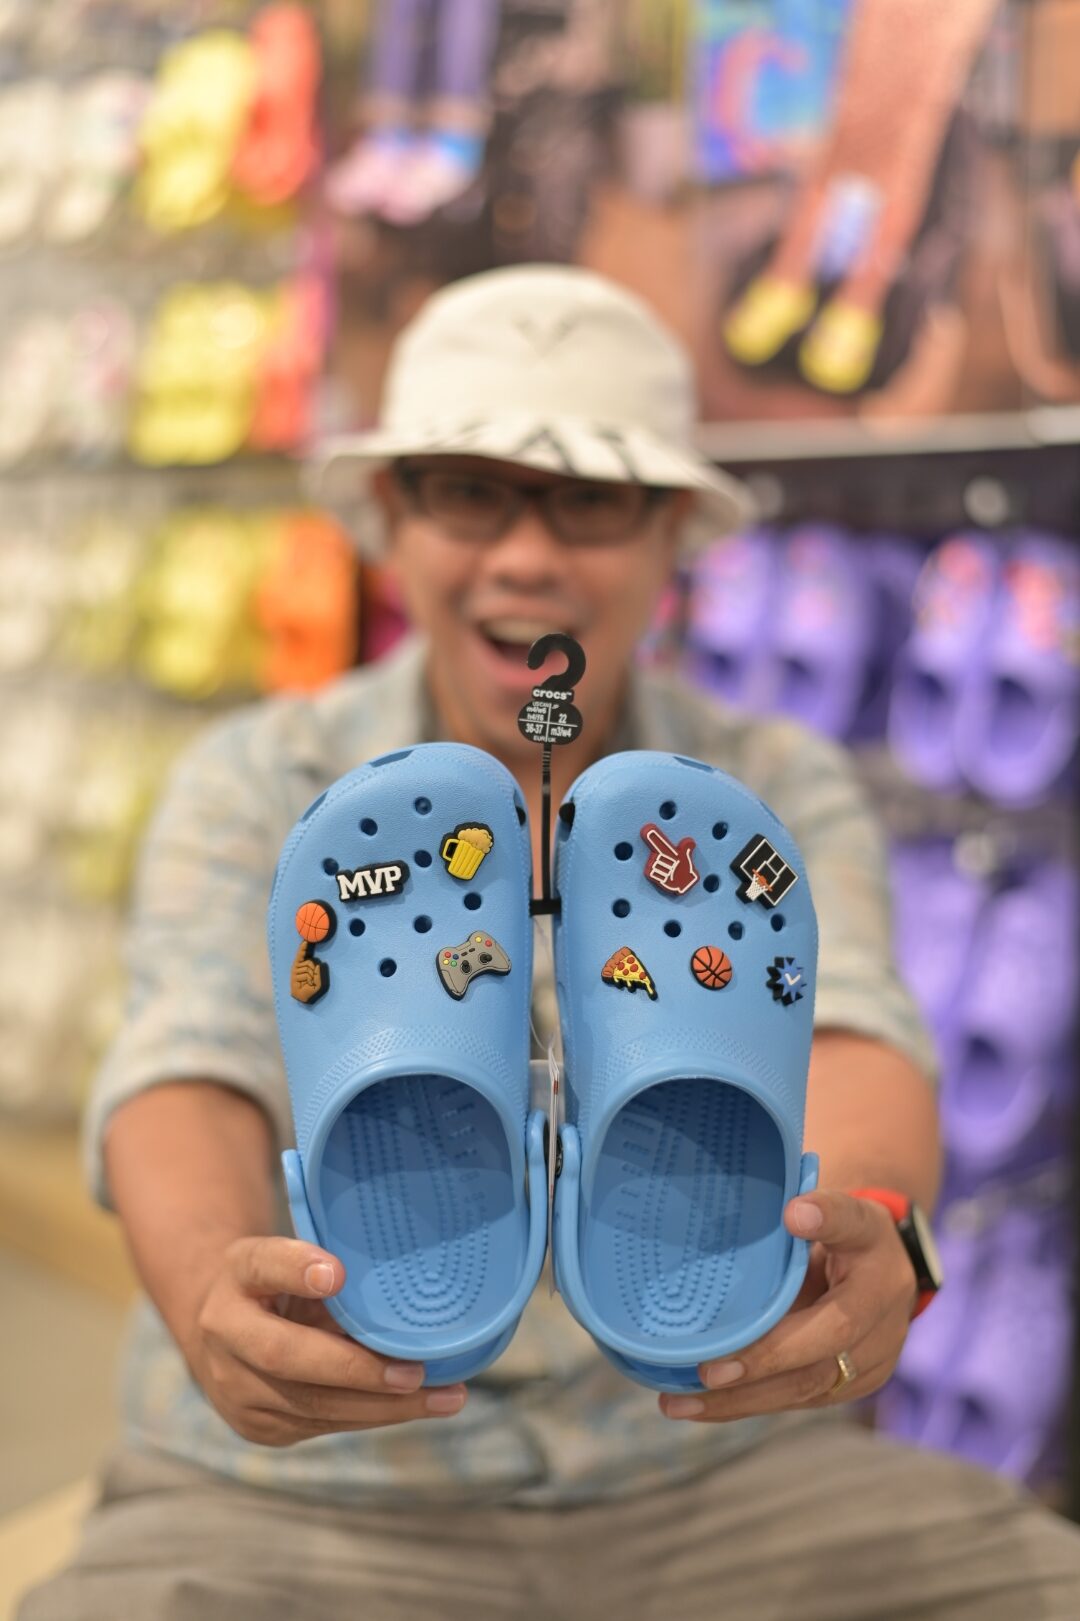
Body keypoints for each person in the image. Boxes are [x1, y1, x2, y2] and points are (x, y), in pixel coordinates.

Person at [21, 265, 1080, 1620]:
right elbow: (186, 1065)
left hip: (710, 1449)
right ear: (393, 519)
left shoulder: (769, 784)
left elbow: (854, 1036)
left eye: (588, 500)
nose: (527, 554)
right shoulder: (260, 777)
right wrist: (208, 1283)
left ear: (671, 533)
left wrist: (871, 1228)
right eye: (470, 491)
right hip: (313, 1482)